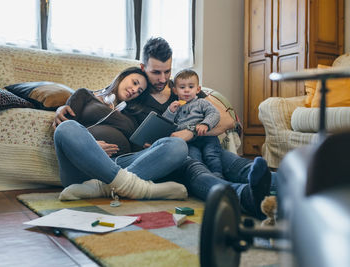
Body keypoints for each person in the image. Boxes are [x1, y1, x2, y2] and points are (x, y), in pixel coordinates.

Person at [54, 37, 275, 219]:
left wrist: (190, 132)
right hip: (157, 156)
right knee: (189, 161)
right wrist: (66, 115)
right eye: (155, 73)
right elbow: (83, 111)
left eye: (167, 72)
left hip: (193, 143)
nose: (162, 79)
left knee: (235, 164)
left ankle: (299, 184)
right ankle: (138, 189)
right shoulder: (133, 100)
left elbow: (228, 120)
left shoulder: (182, 88)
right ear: (143, 68)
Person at [54, 66, 189, 201]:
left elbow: (135, 150)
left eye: (139, 91)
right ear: (122, 77)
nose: (135, 90)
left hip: (121, 164)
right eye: (134, 83)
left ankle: (104, 188)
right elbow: (64, 132)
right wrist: (91, 146)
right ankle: (140, 189)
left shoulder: (132, 112)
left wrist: (151, 148)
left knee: (178, 145)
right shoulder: (84, 95)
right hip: (83, 167)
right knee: (66, 127)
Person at [162, 68, 223, 176]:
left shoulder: (201, 102)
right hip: (189, 142)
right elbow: (165, 124)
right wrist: (170, 111)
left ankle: (217, 175)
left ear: (198, 89)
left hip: (207, 138)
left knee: (211, 156)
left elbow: (214, 114)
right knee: (194, 159)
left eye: (191, 87)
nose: (186, 90)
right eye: (182, 87)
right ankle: (204, 177)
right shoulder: (175, 106)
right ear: (175, 90)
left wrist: (205, 124)